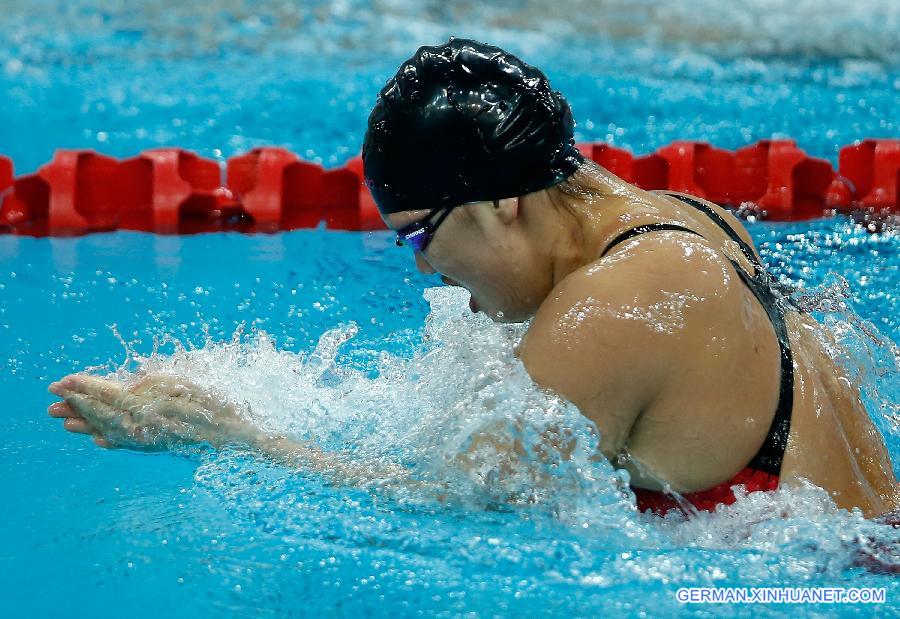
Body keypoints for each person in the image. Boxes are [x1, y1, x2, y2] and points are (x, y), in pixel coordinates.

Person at [48, 37, 899, 519]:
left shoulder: (614, 307)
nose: (425, 271)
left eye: (417, 236)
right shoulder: (680, 217)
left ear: (499, 207)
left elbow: (455, 516)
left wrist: (233, 435)